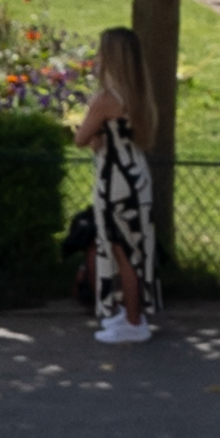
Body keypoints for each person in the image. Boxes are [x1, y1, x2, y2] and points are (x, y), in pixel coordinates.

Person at [83, 27, 162, 346]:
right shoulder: (139, 95)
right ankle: (132, 312)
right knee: (134, 247)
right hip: (136, 174)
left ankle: (132, 320)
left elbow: (80, 136)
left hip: (114, 180)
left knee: (120, 249)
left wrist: (93, 134)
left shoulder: (105, 99)